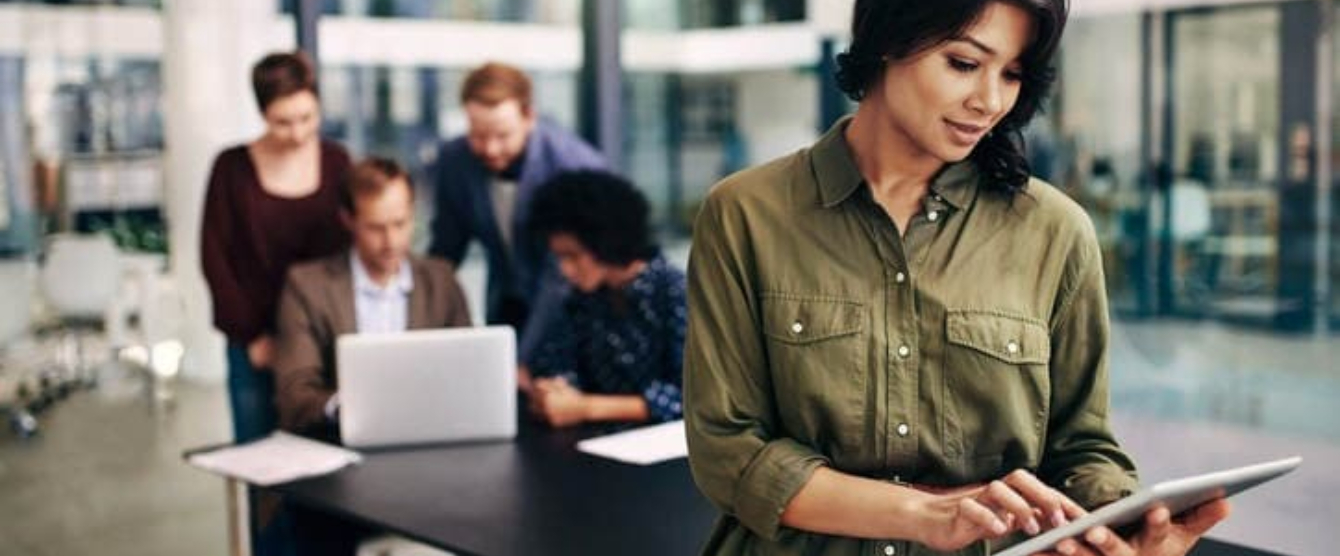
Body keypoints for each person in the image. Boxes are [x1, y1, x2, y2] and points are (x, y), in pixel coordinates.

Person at [682, 1, 1231, 556]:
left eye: (1012, 74)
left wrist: (1127, 524)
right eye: (965, 64)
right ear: (889, 41)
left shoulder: (1055, 232)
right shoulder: (746, 214)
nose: (990, 101)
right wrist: (924, 515)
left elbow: (1082, 448)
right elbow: (729, 452)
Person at [272, 157, 471, 556]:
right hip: (344, 462)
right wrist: (347, 405)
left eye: (401, 224)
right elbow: (295, 393)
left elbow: (466, 374)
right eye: (376, 227)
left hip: (429, 457)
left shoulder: (441, 280)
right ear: (348, 220)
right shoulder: (308, 286)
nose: (392, 241)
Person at [200, 51, 350, 556]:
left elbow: (347, 255)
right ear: (262, 113)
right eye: (282, 121)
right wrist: (253, 339)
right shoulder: (231, 168)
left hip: (323, 346)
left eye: (308, 117)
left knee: (326, 465)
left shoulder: (337, 162)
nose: (297, 132)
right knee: (262, 469)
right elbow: (215, 259)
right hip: (256, 345)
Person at [428, 62, 606, 361]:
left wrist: (523, 361)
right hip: (505, 303)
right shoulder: (455, 160)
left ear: (529, 118)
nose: (491, 149)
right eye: (478, 135)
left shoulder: (573, 166)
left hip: (573, 314)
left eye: (502, 135)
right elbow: (446, 249)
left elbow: (559, 276)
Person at [520, 170, 686, 428]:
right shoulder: (583, 299)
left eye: (573, 256)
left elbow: (695, 399)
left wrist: (586, 407)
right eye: (560, 258)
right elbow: (555, 361)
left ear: (606, 242)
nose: (565, 270)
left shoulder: (677, 293)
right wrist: (553, 388)